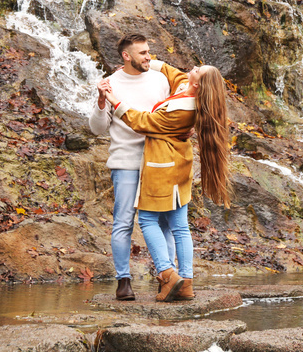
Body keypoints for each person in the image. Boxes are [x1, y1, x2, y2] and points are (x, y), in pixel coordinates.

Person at [104, 63, 232, 302]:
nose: (191, 67)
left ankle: (167, 274)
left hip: (162, 166)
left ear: (197, 84)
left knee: (148, 219)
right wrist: (143, 61)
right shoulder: (188, 88)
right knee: (179, 225)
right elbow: (172, 72)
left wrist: (113, 99)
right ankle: (186, 282)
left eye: (196, 70)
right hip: (180, 166)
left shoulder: (183, 110)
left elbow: (143, 122)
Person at [89, 33, 186, 301]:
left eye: (149, 51)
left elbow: (173, 116)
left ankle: (167, 278)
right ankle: (123, 281)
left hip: (160, 162)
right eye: (143, 53)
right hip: (126, 163)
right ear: (126, 56)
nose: (149, 57)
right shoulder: (110, 84)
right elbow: (97, 130)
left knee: (165, 222)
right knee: (123, 223)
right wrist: (100, 103)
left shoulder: (160, 79)